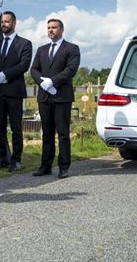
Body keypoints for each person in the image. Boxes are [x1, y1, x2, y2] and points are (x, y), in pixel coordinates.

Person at [30, 18, 80, 179]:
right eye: (48, 28)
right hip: (44, 97)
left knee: (63, 133)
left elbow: (71, 69)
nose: (50, 30)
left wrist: (53, 81)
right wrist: (42, 83)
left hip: (61, 97)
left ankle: (64, 166)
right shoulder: (42, 50)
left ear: (62, 29)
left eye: (54, 27)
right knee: (47, 133)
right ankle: (46, 166)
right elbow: (34, 69)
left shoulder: (72, 48)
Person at [0, 11, 32, 172]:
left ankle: (16, 160)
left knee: (16, 128)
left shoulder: (25, 44)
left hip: (14, 91)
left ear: (14, 23)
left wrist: (6, 75)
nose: (3, 24)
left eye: (7, 21)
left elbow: (24, 65)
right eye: (2, 22)